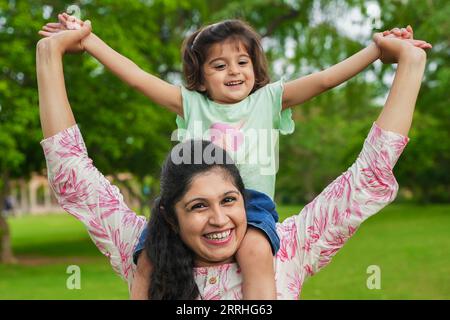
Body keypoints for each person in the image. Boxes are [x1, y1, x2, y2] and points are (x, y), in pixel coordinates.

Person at [38, 14, 430, 299]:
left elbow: (369, 171)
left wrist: (404, 62)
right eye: (197, 206)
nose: (220, 219)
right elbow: (71, 167)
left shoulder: (285, 246)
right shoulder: (149, 251)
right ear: (171, 217)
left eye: (229, 200)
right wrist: (53, 53)